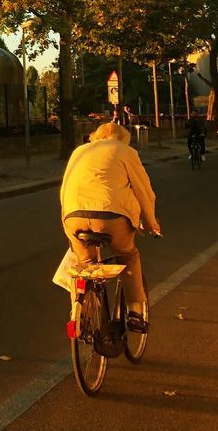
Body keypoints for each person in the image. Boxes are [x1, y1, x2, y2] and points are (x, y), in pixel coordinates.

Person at [60, 122, 161, 333]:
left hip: (74, 216)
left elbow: (65, 189)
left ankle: (79, 312)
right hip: (112, 216)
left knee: (84, 265)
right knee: (128, 256)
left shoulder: (79, 151)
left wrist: (67, 224)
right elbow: (143, 189)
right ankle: (135, 312)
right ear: (123, 138)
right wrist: (151, 223)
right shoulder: (125, 151)